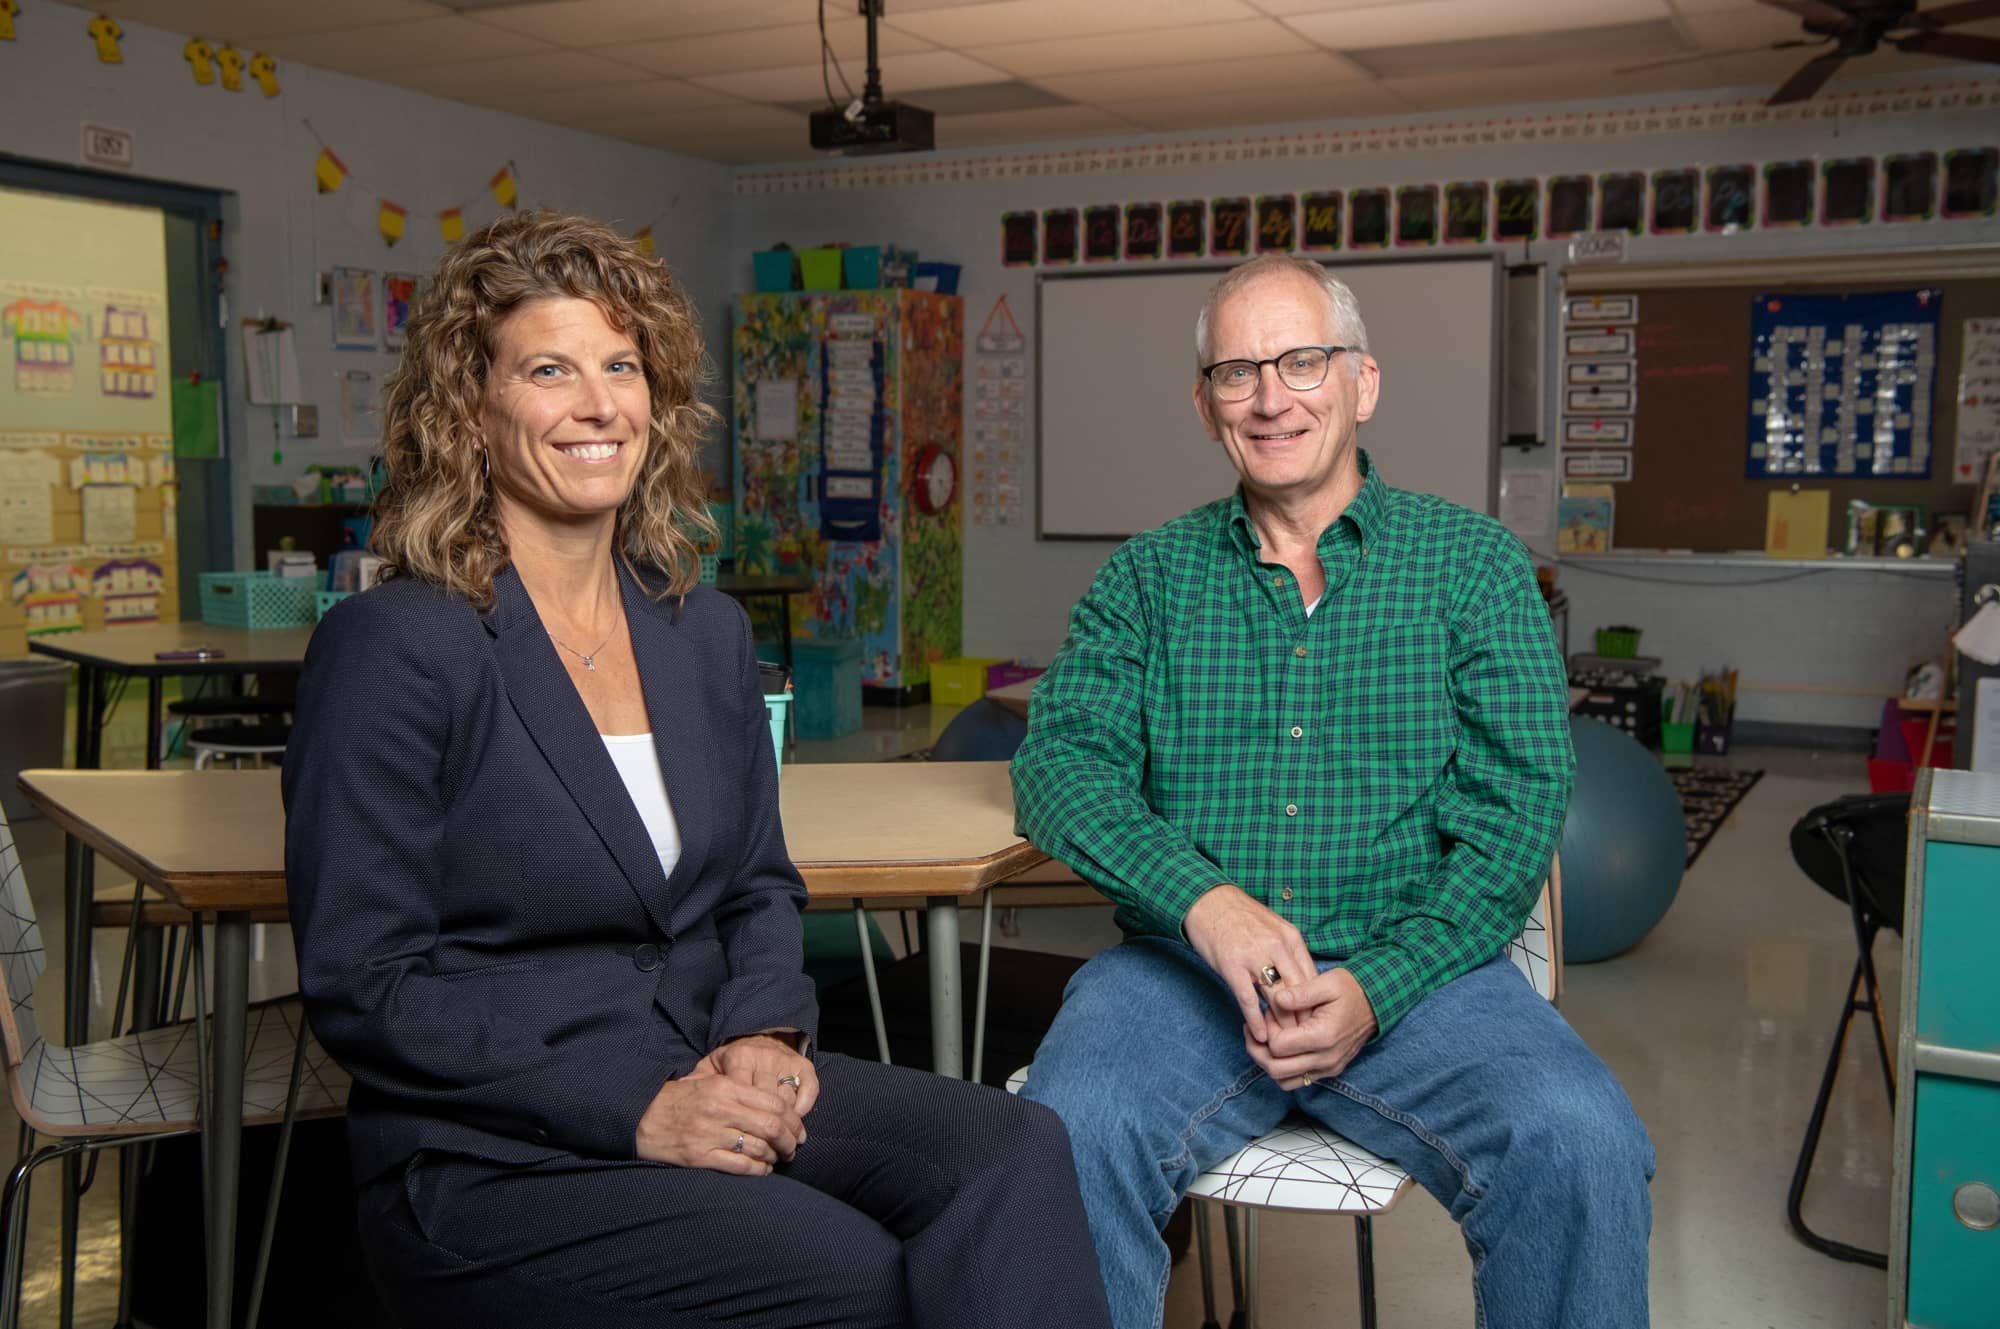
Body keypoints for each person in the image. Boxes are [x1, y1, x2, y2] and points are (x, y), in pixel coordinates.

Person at [284, 210, 1112, 1329]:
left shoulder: (700, 633)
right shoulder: (398, 646)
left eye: (620, 366)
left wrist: (763, 1035)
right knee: (854, 1271)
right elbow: (366, 984)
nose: (597, 404)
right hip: (499, 1151)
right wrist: (639, 1106)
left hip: (713, 1068)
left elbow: (757, 887)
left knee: (1013, 1146)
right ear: (469, 412)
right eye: (548, 369)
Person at [1011, 254, 1654, 1329]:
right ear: (1204, 401)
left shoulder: (1473, 568)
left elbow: (1513, 813)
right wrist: (1207, 907)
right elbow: (1058, 770)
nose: (1271, 397)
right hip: (1181, 981)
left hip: (1424, 979)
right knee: (1069, 1131)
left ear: (1360, 381)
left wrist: (1380, 985)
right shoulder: (1144, 580)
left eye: (1301, 361)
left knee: (1579, 1138)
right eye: (1236, 371)